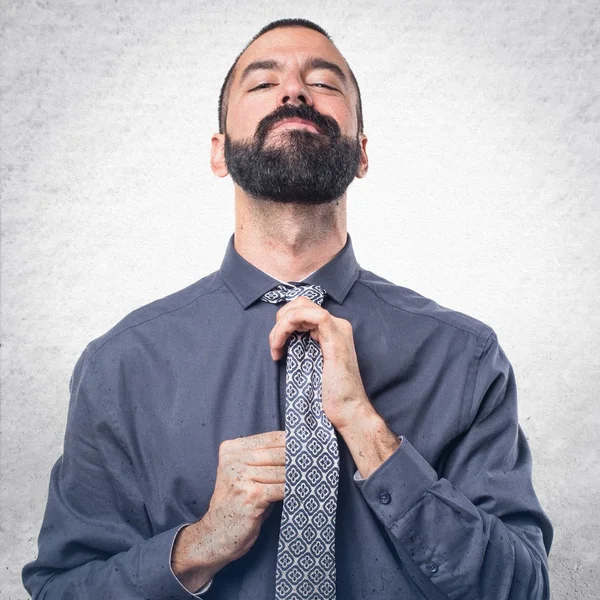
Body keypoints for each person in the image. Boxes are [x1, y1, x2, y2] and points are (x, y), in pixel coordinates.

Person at [22, 18, 553, 600]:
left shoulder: (465, 358)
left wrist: (372, 436)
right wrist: (198, 545)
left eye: (323, 82)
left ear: (362, 155)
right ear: (219, 153)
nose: (294, 91)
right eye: (262, 83)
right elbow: (62, 590)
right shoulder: (122, 366)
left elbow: (521, 588)